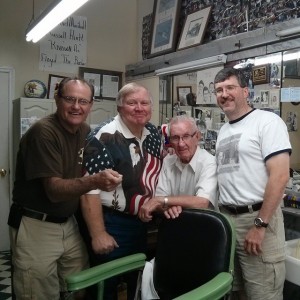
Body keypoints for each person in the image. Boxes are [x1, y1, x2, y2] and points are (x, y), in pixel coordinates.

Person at [7, 77, 123, 300]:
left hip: (67, 222)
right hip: (36, 225)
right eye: (70, 99)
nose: (76, 107)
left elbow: (98, 162)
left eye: (83, 101)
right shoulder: (43, 132)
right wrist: (95, 181)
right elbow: (54, 189)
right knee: (37, 292)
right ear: (57, 99)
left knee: (80, 285)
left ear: (91, 105)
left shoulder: (84, 131)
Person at [79, 82, 162, 300]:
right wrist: (98, 234)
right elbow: (89, 190)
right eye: (132, 103)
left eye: (144, 103)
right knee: (107, 285)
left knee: (137, 282)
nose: (139, 108)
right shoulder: (103, 137)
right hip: (112, 223)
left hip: (141, 223)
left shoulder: (152, 132)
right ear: (119, 108)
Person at [214, 68, 291, 300]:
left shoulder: (267, 122)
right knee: (236, 292)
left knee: (263, 293)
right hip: (228, 220)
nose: (224, 94)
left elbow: (280, 176)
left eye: (230, 88)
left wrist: (260, 225)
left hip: (257, 218)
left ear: (245, 92)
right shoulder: (224, 130)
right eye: (219, 90)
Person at [139, 115, 217, 222]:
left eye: (186, 136)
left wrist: (164, 201)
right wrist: (168, 208)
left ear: (197, 136)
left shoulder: (209, 162)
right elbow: (159, 201)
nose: (181, 143)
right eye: (175, 138)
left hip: (203, 227)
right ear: (170, 141)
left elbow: (202, 202)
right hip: (174, 226)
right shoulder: (168, 161)